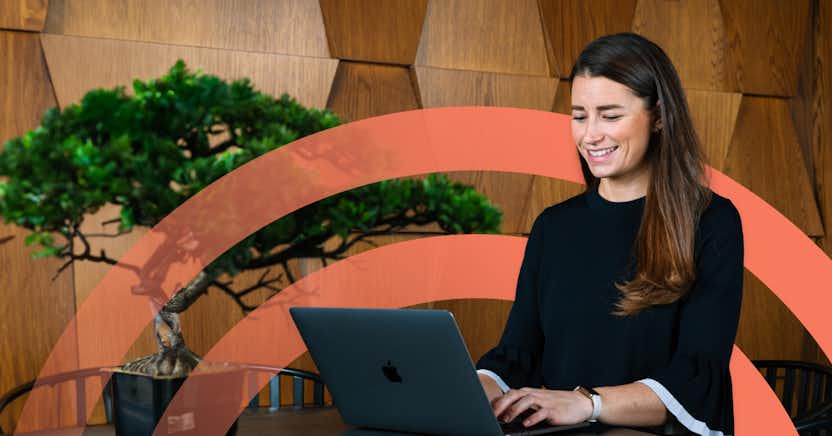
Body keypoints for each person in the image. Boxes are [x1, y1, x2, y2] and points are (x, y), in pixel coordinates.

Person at [476, 32, 743, 436]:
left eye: (610, 115)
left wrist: (587, 403)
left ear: (658, 116)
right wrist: (472, 391)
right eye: (580, 116)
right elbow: (518, 353)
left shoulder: (712, 220)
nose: (590, 135)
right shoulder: (554, 226)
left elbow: (697, 376)